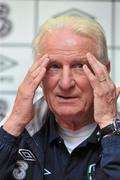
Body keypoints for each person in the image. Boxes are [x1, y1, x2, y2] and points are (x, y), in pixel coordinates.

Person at [0, 15, 120, 180]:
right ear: (38, 75)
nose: (65, 83)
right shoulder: (16, 131)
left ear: (104, 72)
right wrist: (14, 124)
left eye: (79, 66)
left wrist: (109, 127)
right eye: (54, 66)